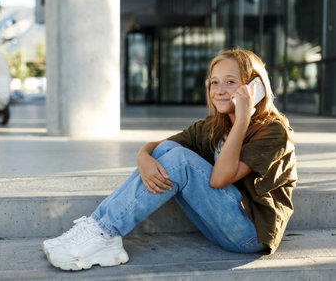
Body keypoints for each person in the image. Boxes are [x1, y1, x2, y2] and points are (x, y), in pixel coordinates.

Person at [42, 49, 297, 271]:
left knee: (180, 160)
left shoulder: (273, 130)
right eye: (214, 82)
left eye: (230, 82)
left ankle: (104, 233)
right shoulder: (213, 126)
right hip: (220, 224)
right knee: (168, 152)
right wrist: (143, 158)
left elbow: (219, 179)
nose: (219, 90)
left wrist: (243, 118)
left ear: (254, 87)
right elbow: (160, 147)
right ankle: (97, 227)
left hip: (250, 233)